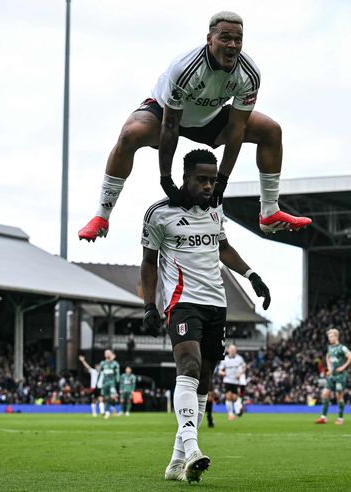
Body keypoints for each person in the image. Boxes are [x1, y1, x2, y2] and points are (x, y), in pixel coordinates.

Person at [79, 11, 311, 242]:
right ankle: (102, 215)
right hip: (165, 115)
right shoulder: (185, 68)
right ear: (210, 39)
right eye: (225, 38)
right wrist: (166, 179)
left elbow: (236, 129)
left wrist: (222, 180)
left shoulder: (248, 74)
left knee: (270, 130)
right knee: (130, 135)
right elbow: (170, 126)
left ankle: (269, 212)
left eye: (238, 40)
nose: (232, 45)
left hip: (209, 118)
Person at [140, 148, 271, 483]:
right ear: (184, 178)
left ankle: (175, 462)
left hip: (217, 303)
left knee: (205, 381)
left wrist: (252, 274)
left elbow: (223, 248)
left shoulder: (216, 209)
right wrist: (149, 305)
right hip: (183, 303)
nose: (209, 186)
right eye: (202, 179)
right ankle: (193, 447)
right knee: (190, 366)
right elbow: (148, 262)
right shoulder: (159, 213)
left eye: (213, 180)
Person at [315, 329, 351, 425]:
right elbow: (327, 356)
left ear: (336, 337)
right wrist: (329, 368)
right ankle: (323, 417)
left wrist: (343, 367)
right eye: (329, 337)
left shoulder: (342, 348)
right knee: (325, 393)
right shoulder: (330, 348)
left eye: (331, 336)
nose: (330, 339)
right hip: (332, 375)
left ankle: (340, 418)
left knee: (339, 396)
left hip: (340, 376)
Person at [218, 344, 246, 421]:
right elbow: (220, 370)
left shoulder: (240, 358)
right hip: (227, 380)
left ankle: (239, 406)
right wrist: (222, 373)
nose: (233, 351)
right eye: (231, 349)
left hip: (236, 381)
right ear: (228, 350)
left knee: (234, 397)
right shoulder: (225, 359)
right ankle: (230, 414)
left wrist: (240, 374)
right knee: (228, 396)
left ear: (236, 350)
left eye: (234, 349)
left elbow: (244, 367)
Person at [98, 349, 120, 419]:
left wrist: (117, 382)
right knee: (106, 398)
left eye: (108, 353)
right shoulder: (102, 363)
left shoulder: (115, 363)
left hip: (112, 383)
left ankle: (113, 409)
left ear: (111, 354)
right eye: (105, 353)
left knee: (113, 397)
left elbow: (117, 374)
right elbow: (100, 373)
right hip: (105, 383)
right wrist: (98, 382)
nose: (107, 354)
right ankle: (107, 412)